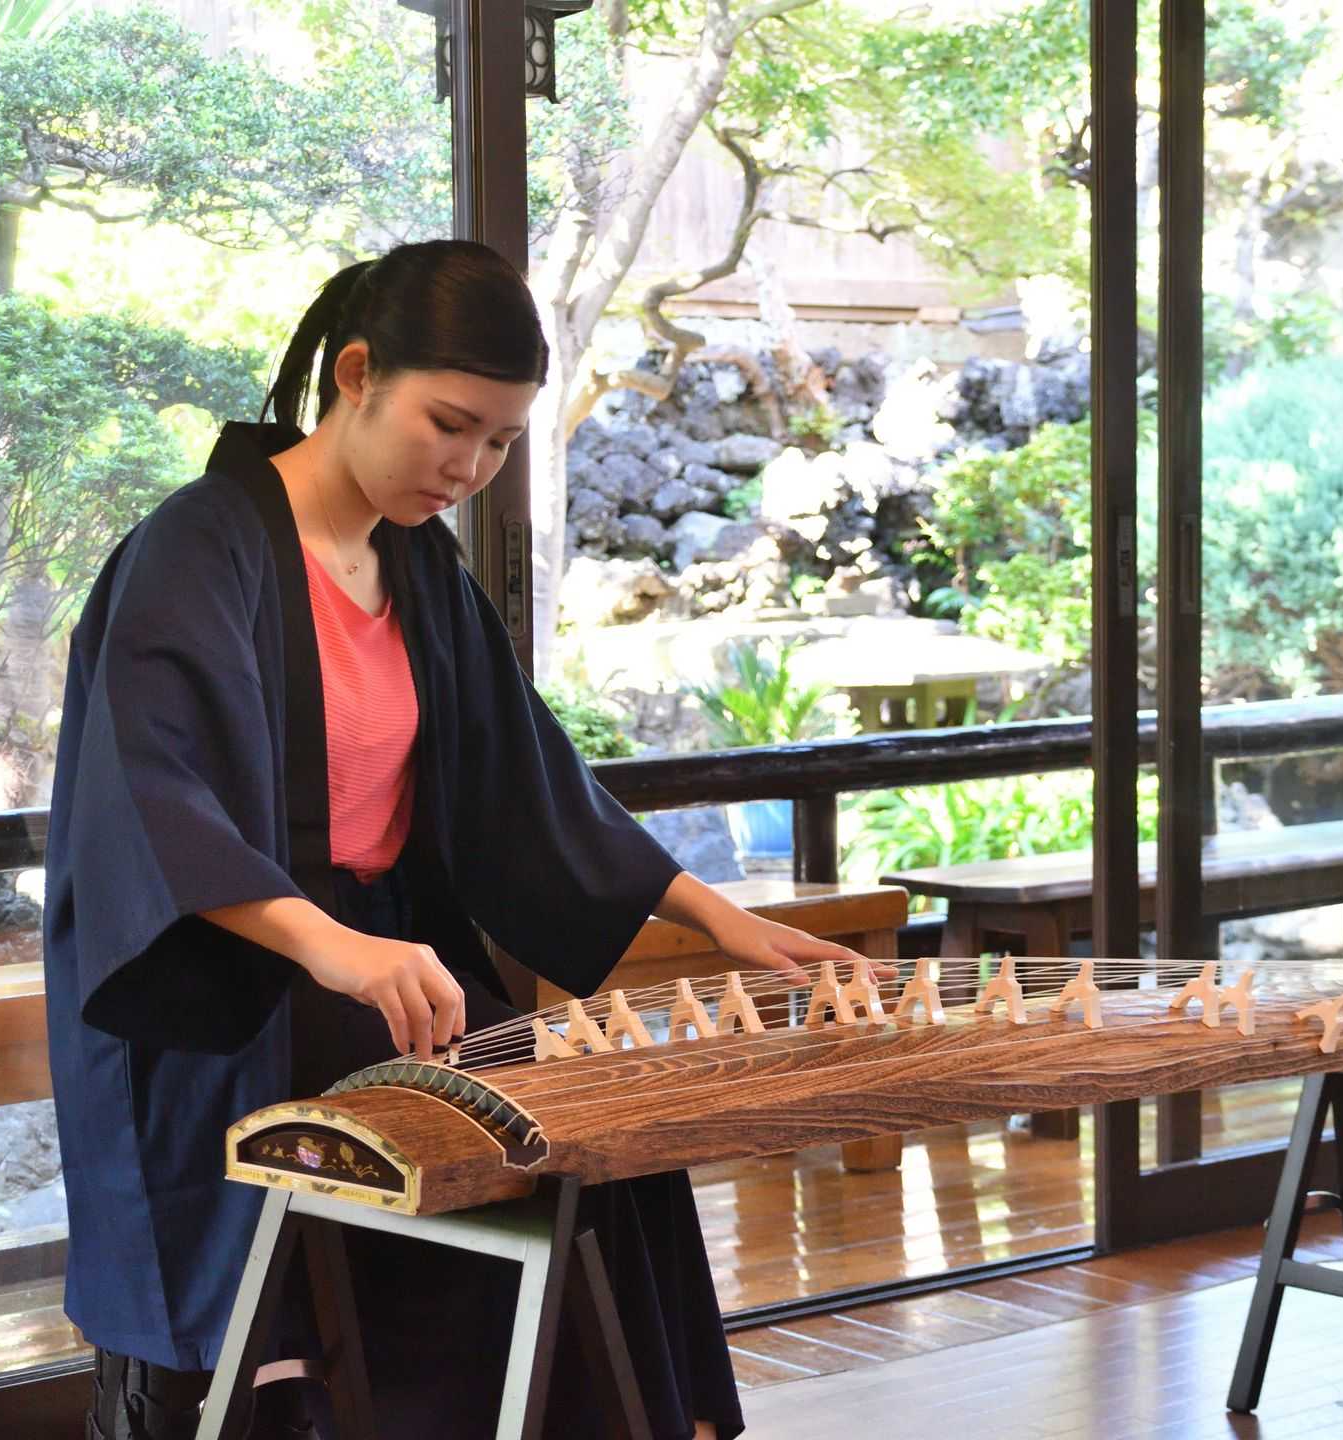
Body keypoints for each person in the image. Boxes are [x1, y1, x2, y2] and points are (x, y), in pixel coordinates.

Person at [44, 239, 869, 1439]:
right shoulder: (197, 547)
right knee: (411, 1180)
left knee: (604, 1124)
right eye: (450, 424)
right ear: (356, 373)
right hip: (227, 984)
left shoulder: (416, 569)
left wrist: (719, 917)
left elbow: (527, 778)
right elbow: (156, 803)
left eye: (499, 442)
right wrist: (334, 948)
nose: (470, 467)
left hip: (389, 970)